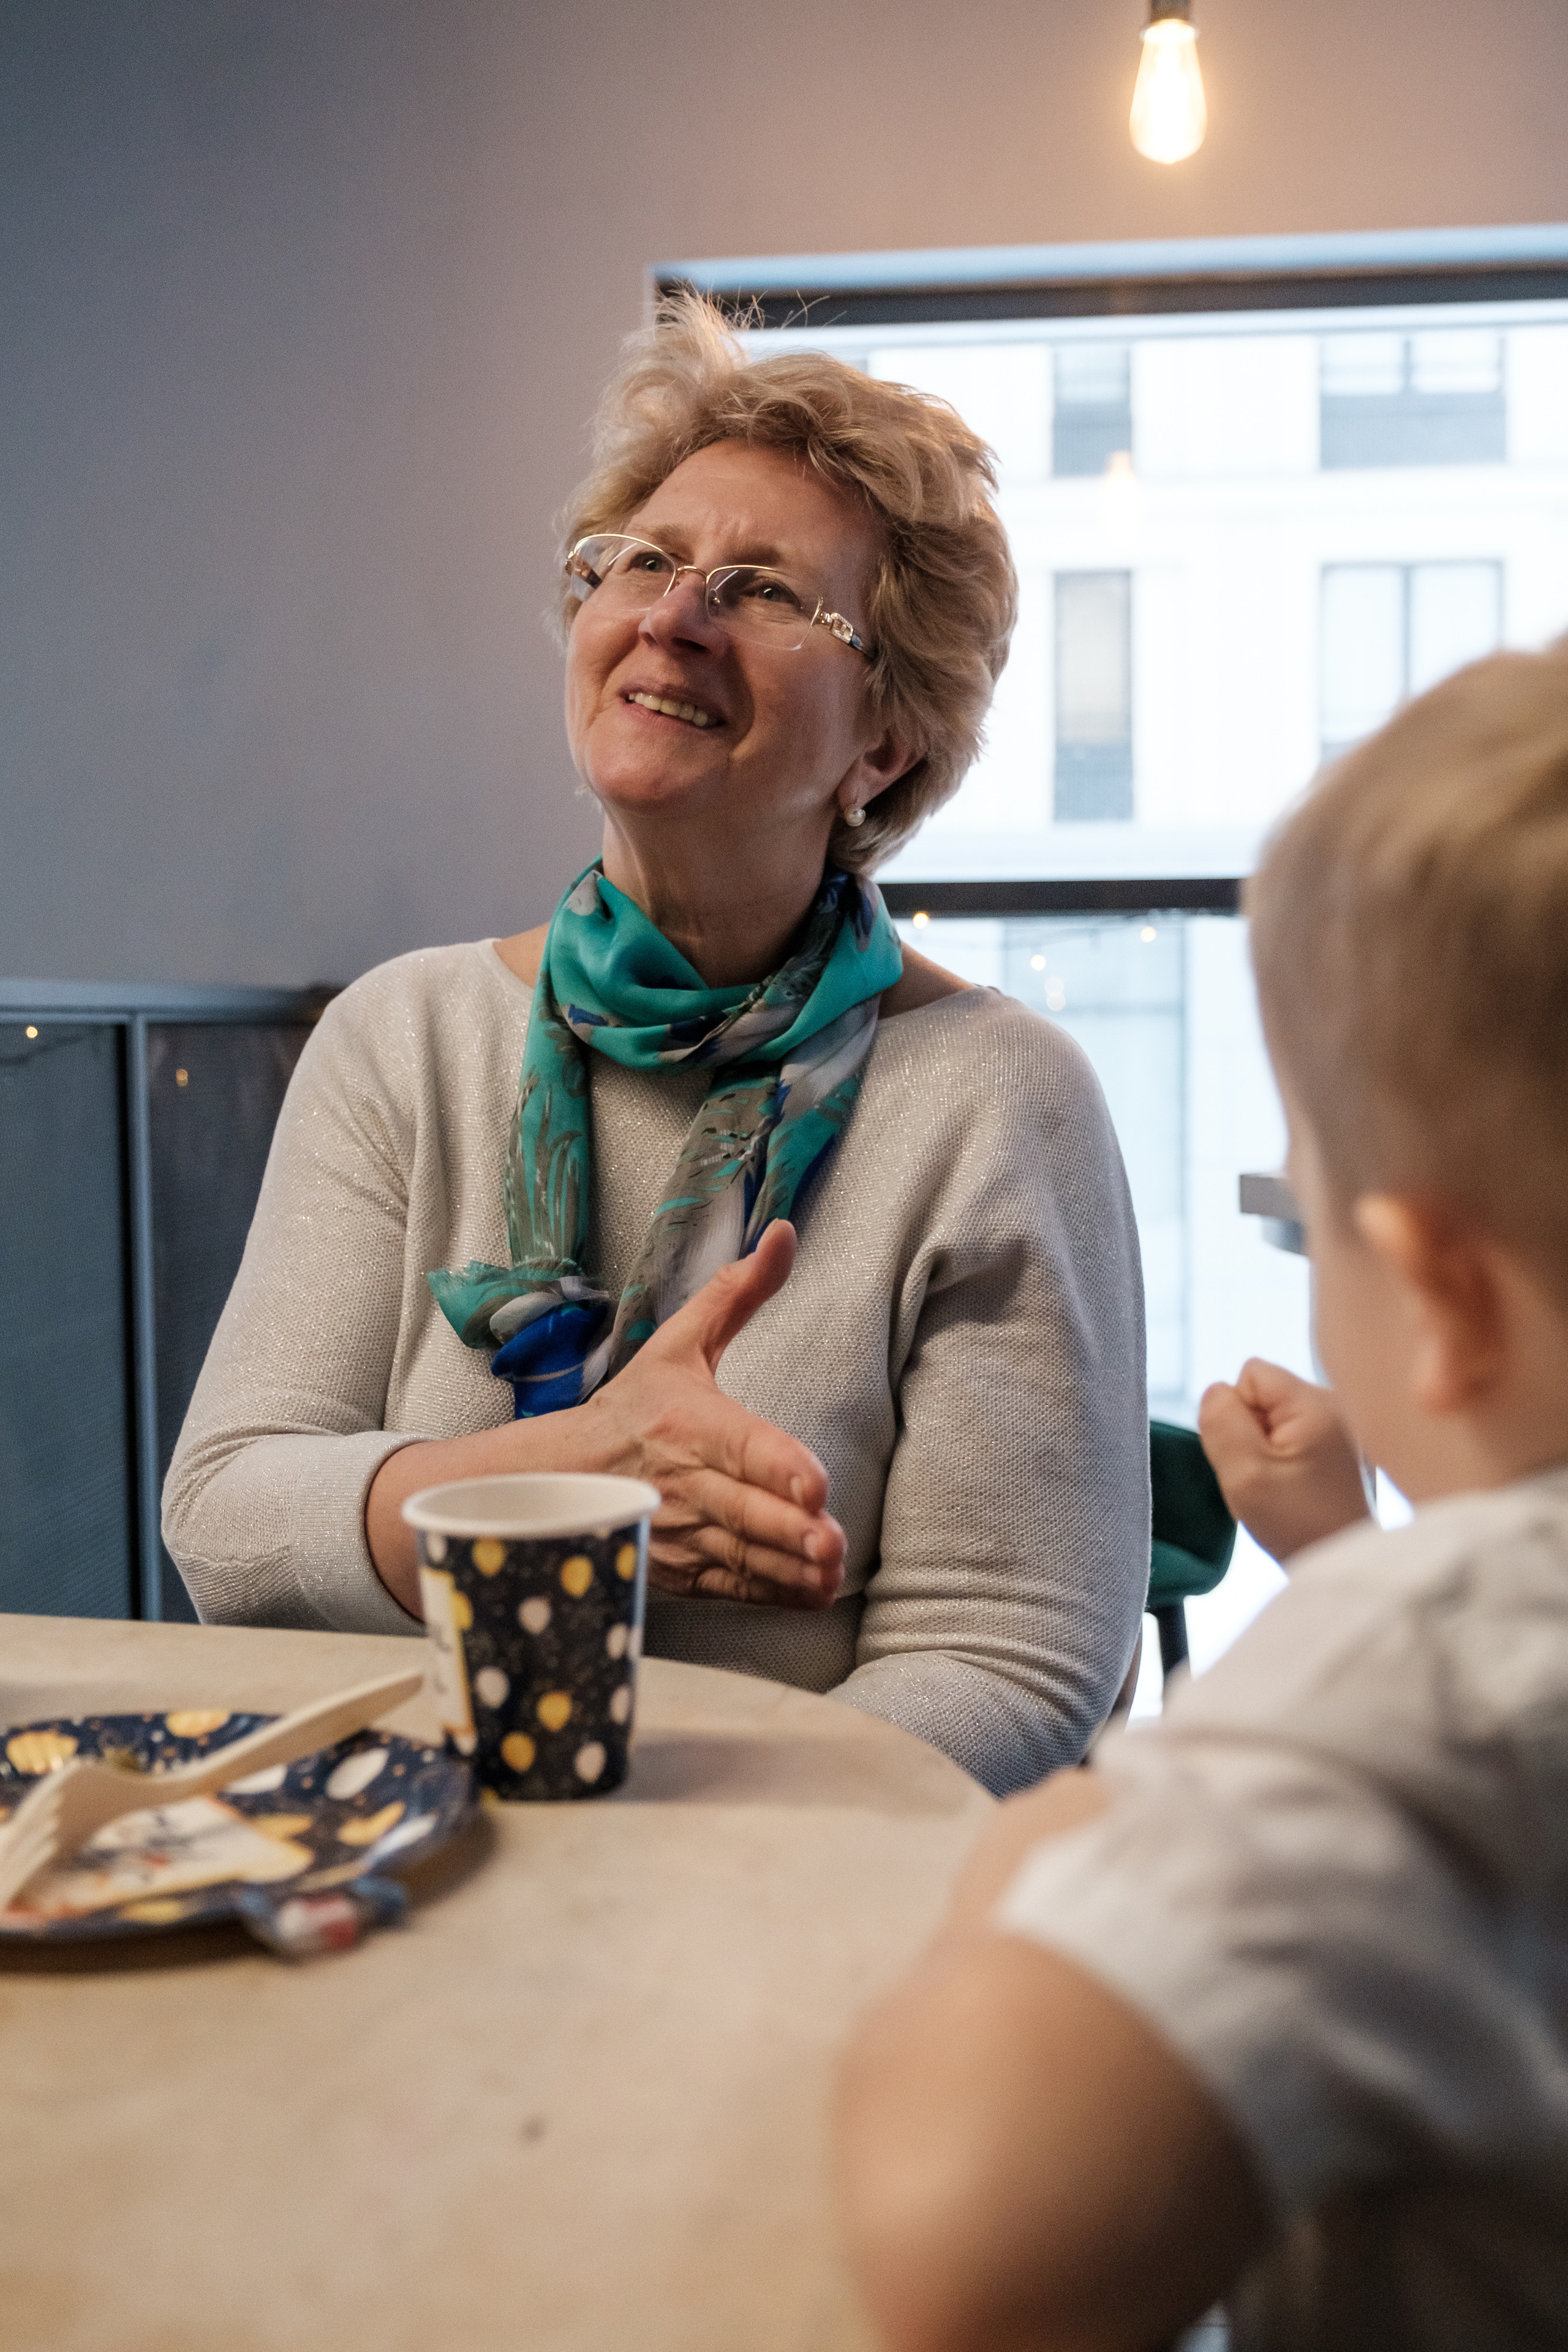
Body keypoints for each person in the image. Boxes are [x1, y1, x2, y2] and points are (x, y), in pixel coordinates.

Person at [163, 296, 1149, 1797]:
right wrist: (566, 1473)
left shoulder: (999, 1099)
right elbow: (227, 1522)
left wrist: (668, 1835)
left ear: (882, 743)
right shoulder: (402, 1038)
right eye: (641, 561)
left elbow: (1009, 1649)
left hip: (788, 1891)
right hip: (395, 1855)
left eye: (762, 590)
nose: (671, 616)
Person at [837, 641, 1568, 2346]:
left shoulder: (1417, 1678)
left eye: (1301, 1219)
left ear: (1438, 1298)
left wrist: (1056, 1842)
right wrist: (1342, 1554)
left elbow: (966, 2249)